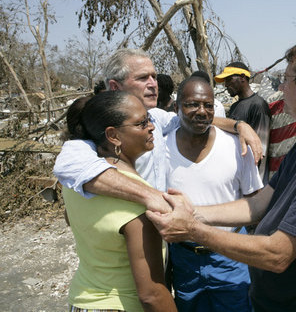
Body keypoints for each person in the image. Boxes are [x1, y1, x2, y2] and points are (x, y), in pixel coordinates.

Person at [147, 39, 296, 311]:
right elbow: (257, 205)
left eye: (287, 79)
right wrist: (192, 212)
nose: (281, 87)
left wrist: (193, 230)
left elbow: (278, 254)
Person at [53, 48, 263, 214]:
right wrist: (151, 197)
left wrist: (239, 126)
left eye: (154, 76)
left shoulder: (156, 118)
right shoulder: (95, 127)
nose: (153, 84)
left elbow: (192, 118)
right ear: (115, 87)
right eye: (143, 78)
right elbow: (68, 165)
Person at [62, 91, 177, 312]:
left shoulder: (77, 181)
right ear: (113, 135)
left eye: (149, 119)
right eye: (141, 123)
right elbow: (152, 294)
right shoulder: (139, 197)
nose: (151, 127)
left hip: (81, 302)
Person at [165, 75, 262, 311]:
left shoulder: (237, 148)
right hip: (183, 260)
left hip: (231, 257)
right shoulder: (160, 149)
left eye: (208, 105)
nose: (201, 111)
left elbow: (254, 206)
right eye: (192, 104)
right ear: (177, 107)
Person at [215, 62, 271, 183]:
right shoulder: (235, 106)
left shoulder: (258, 105)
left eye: (229, 79)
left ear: (242, 77)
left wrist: (255, 183)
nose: (226, 85)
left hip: (252, 178)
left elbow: (260, 149)